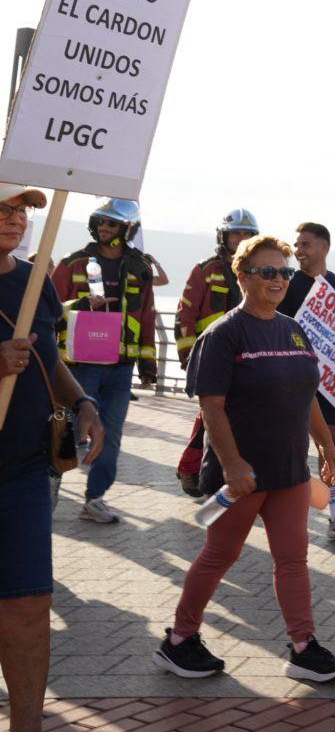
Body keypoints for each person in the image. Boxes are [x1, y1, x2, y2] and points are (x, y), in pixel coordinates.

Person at [153, 234, 335, 684]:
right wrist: (233, 464)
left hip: (289, 472)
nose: (279, 279)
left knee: (293, 559)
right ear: (243, 277)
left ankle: (303, 647)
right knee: (219, 555)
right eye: (267, 272)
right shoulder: (223, 334)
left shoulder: (293, 329)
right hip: (240, 476)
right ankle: (179, 640)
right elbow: (211, 405)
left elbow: (309, 397)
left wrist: (326, 446)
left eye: (283, 271)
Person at [0, 184, 105, 732]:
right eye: (2, 207)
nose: (14, 218)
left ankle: (26, 726)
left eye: (20, 209)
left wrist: (81, 401)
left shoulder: (34, 281)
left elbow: (48, 356)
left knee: (29, 605)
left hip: (22, 471)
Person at [51, 197, 158, 525]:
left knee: (111, 435)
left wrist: (148, 365)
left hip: (120, 369)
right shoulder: (72, 263)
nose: (104, 227)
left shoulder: (140, 268)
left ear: (127, 228)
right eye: (101, 221)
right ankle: (50, 484)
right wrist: (81, 303)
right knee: (64, 428)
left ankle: (94, 499)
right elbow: (50, 309)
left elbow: (147, 316)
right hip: (79, 366)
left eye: (112, 223)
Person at [277, 222, 335, 539]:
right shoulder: (286, 283)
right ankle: (282, 507)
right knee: (291, 446)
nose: (299, 250)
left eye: (306, 244)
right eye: (297, 244)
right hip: (294, 378)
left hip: (329, 382)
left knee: (330, 443)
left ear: (324, 248)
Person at [175, 208, 260, 499]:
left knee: (234, 419)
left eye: (248, 234)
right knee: (210, 418)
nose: (242, 239)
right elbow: (184, 315)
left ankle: (215, 474)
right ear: (224, 236)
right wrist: (189, 359)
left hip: (248, 360)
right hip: (212, 358)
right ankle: (193, 469)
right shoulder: (205, 270)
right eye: (237, 233)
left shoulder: (257, 273)